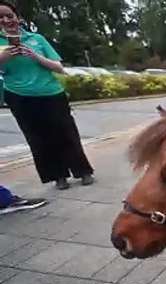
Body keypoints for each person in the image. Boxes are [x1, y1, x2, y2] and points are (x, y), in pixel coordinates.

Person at [0, 1, 95, 190]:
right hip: (19, 96)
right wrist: (5, 56)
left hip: (51, 93)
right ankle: (57, 176)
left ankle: (83, 171)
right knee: (38, 138)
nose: (6, 20)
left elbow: (59, 67)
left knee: (66, 132)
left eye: (9, 15)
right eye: (0, 17)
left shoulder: (37, 39)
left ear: (17, 17)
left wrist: (34, 56)